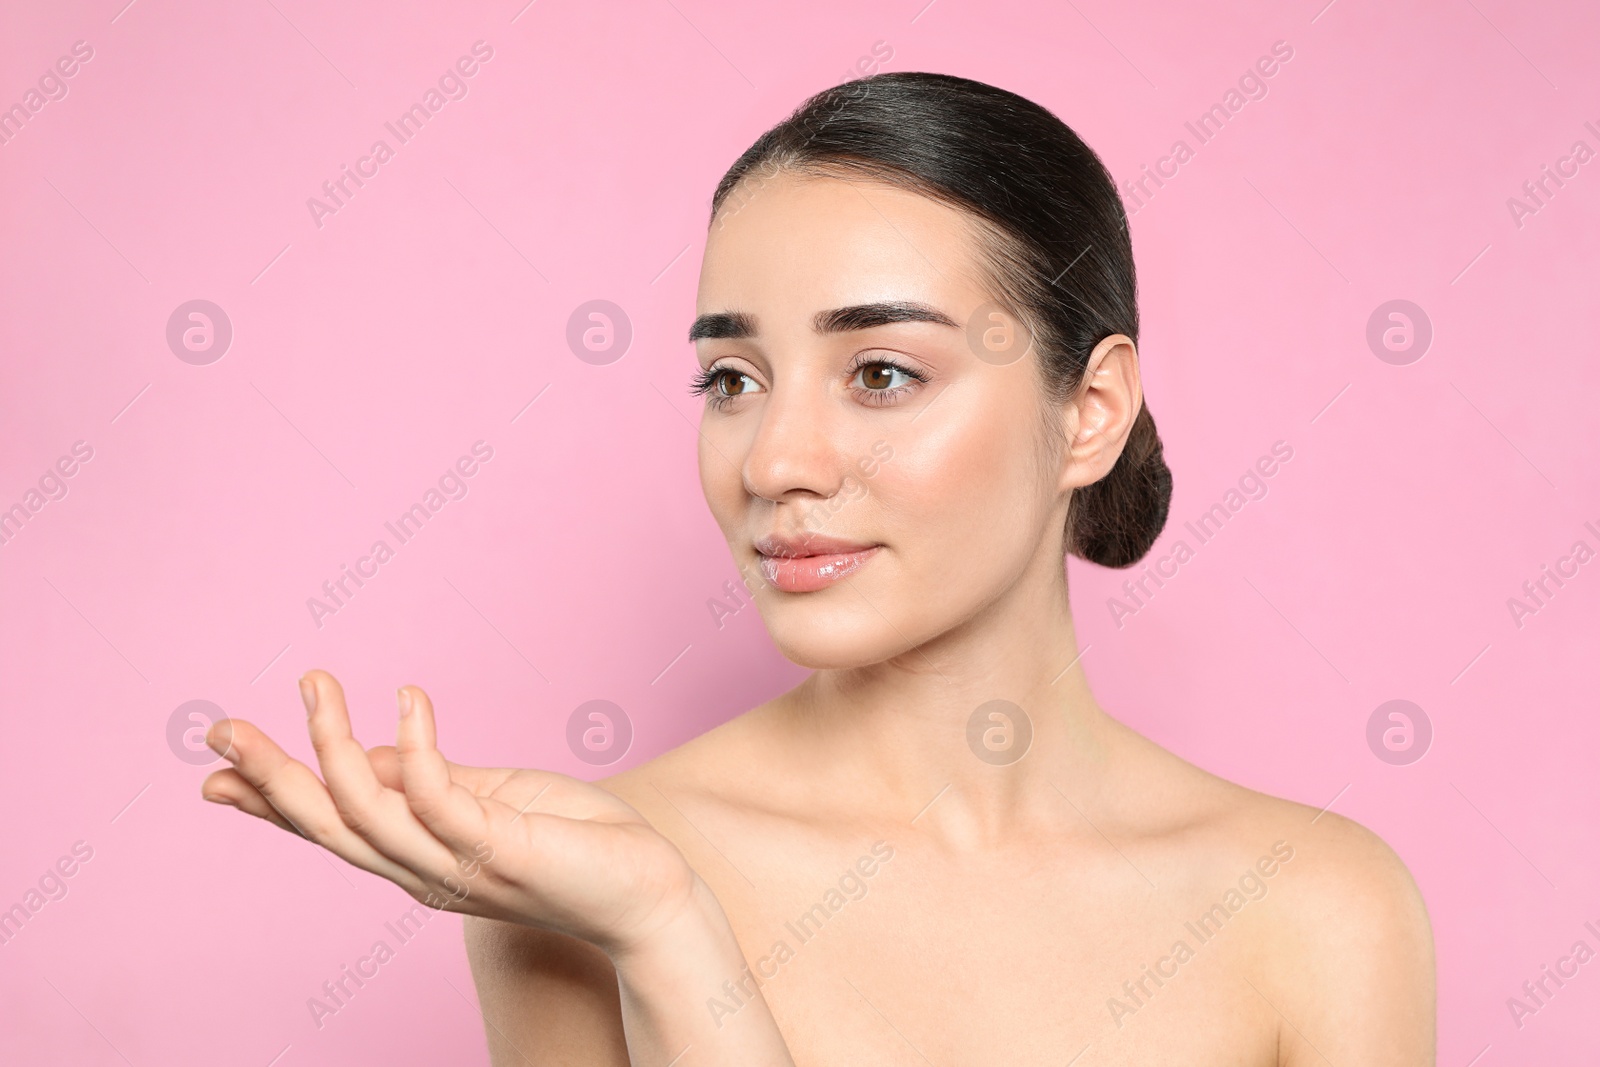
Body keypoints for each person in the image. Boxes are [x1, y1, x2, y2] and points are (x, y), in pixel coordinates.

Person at [200, 72, 1435, 1065]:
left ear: (1090, 411)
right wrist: (667, 933)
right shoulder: (574, 880)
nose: (775, 459)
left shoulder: (1314, 909)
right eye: (732, 381)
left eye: (882, 372)